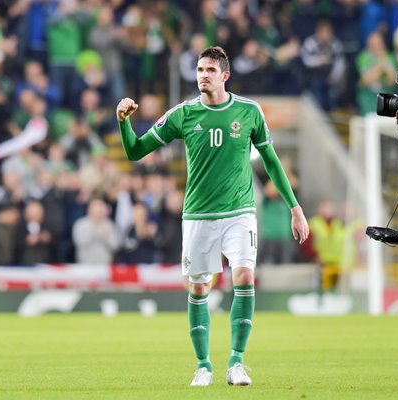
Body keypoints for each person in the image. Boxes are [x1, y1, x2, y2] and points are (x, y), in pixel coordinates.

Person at [116, 46, 309, 387]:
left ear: (225, 76)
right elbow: (134, 151)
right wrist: (124, 123)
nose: (202, 75)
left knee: (245, 277)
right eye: (199, 69)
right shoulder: (182, 114)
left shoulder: (250, 112)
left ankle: (237, 362)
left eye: (209, 70)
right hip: (198, 215)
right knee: (199, 286)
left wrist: (295, 208)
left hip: (240, 212)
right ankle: (203, 366)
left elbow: (272, 162)